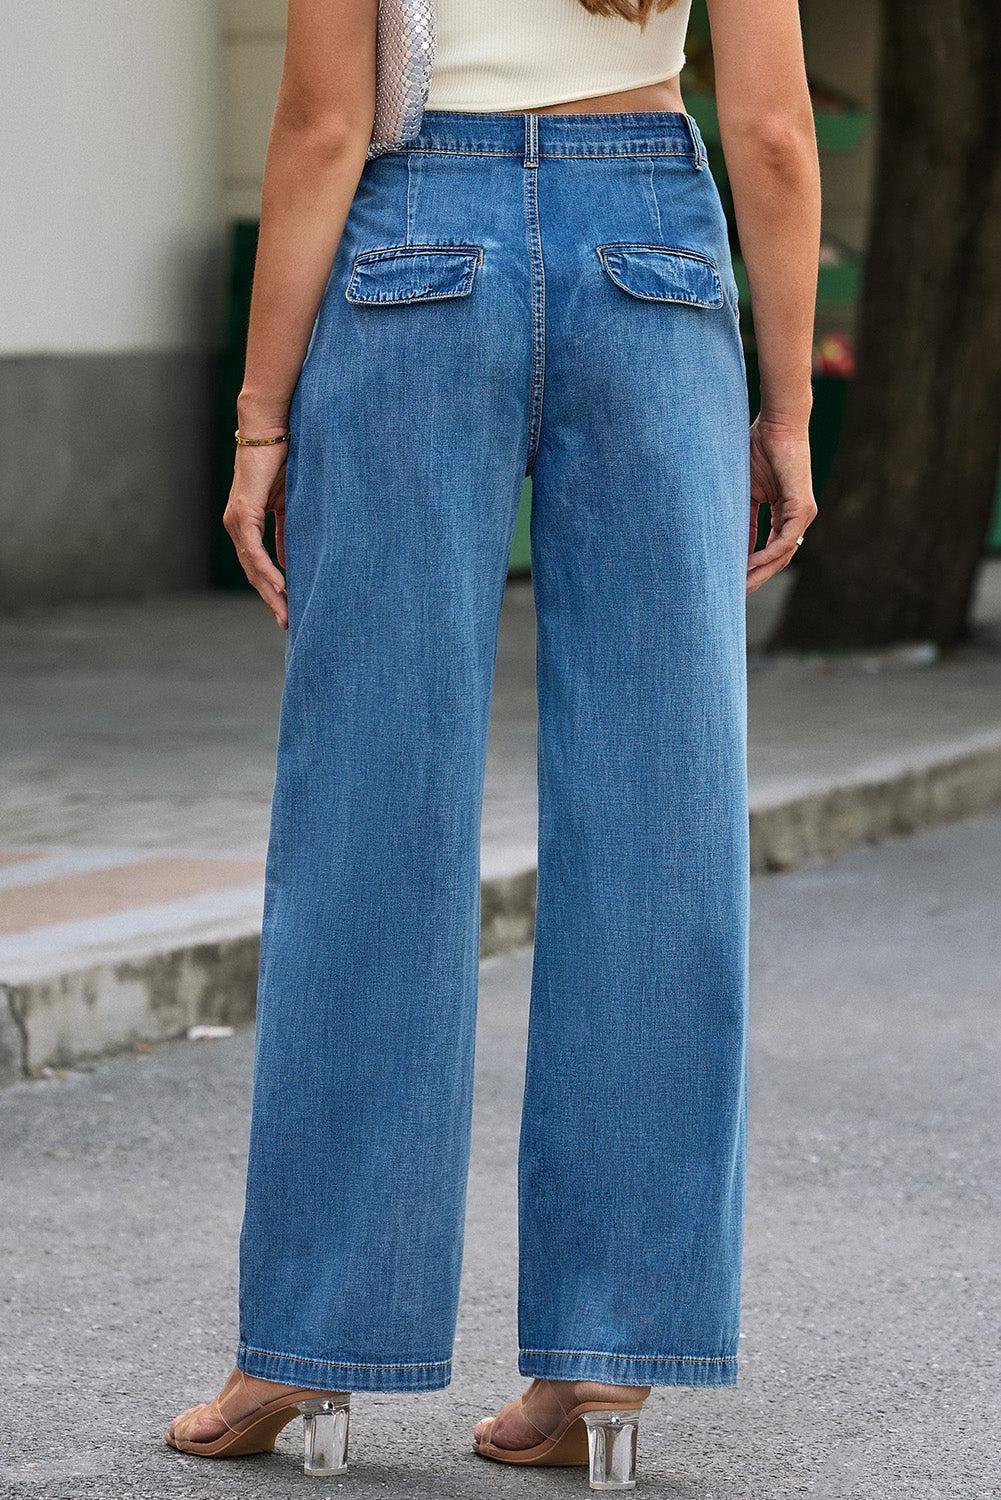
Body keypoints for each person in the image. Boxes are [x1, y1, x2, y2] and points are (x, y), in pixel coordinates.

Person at [167, 0, 819, 1485]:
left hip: (414, 253)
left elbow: (327, 125)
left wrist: (259, 417)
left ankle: (306, 1348)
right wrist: (783, 407)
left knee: (366, 819)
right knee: (659, 818)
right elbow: (774, 134)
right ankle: (605, 1356)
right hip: (651, 237)